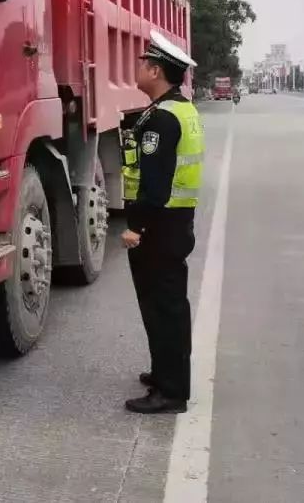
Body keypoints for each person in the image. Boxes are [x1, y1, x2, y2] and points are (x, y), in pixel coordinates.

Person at [120, 30, 205, 414]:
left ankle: (170, 392)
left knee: (163, 307)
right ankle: (165, 374)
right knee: (168, 306)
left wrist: (136, 228)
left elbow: (154, 187)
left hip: (159, 225)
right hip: (175, 222)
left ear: (155, 70)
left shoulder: (161, 120)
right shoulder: (181, 109)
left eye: (142, 64)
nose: (137, 69)